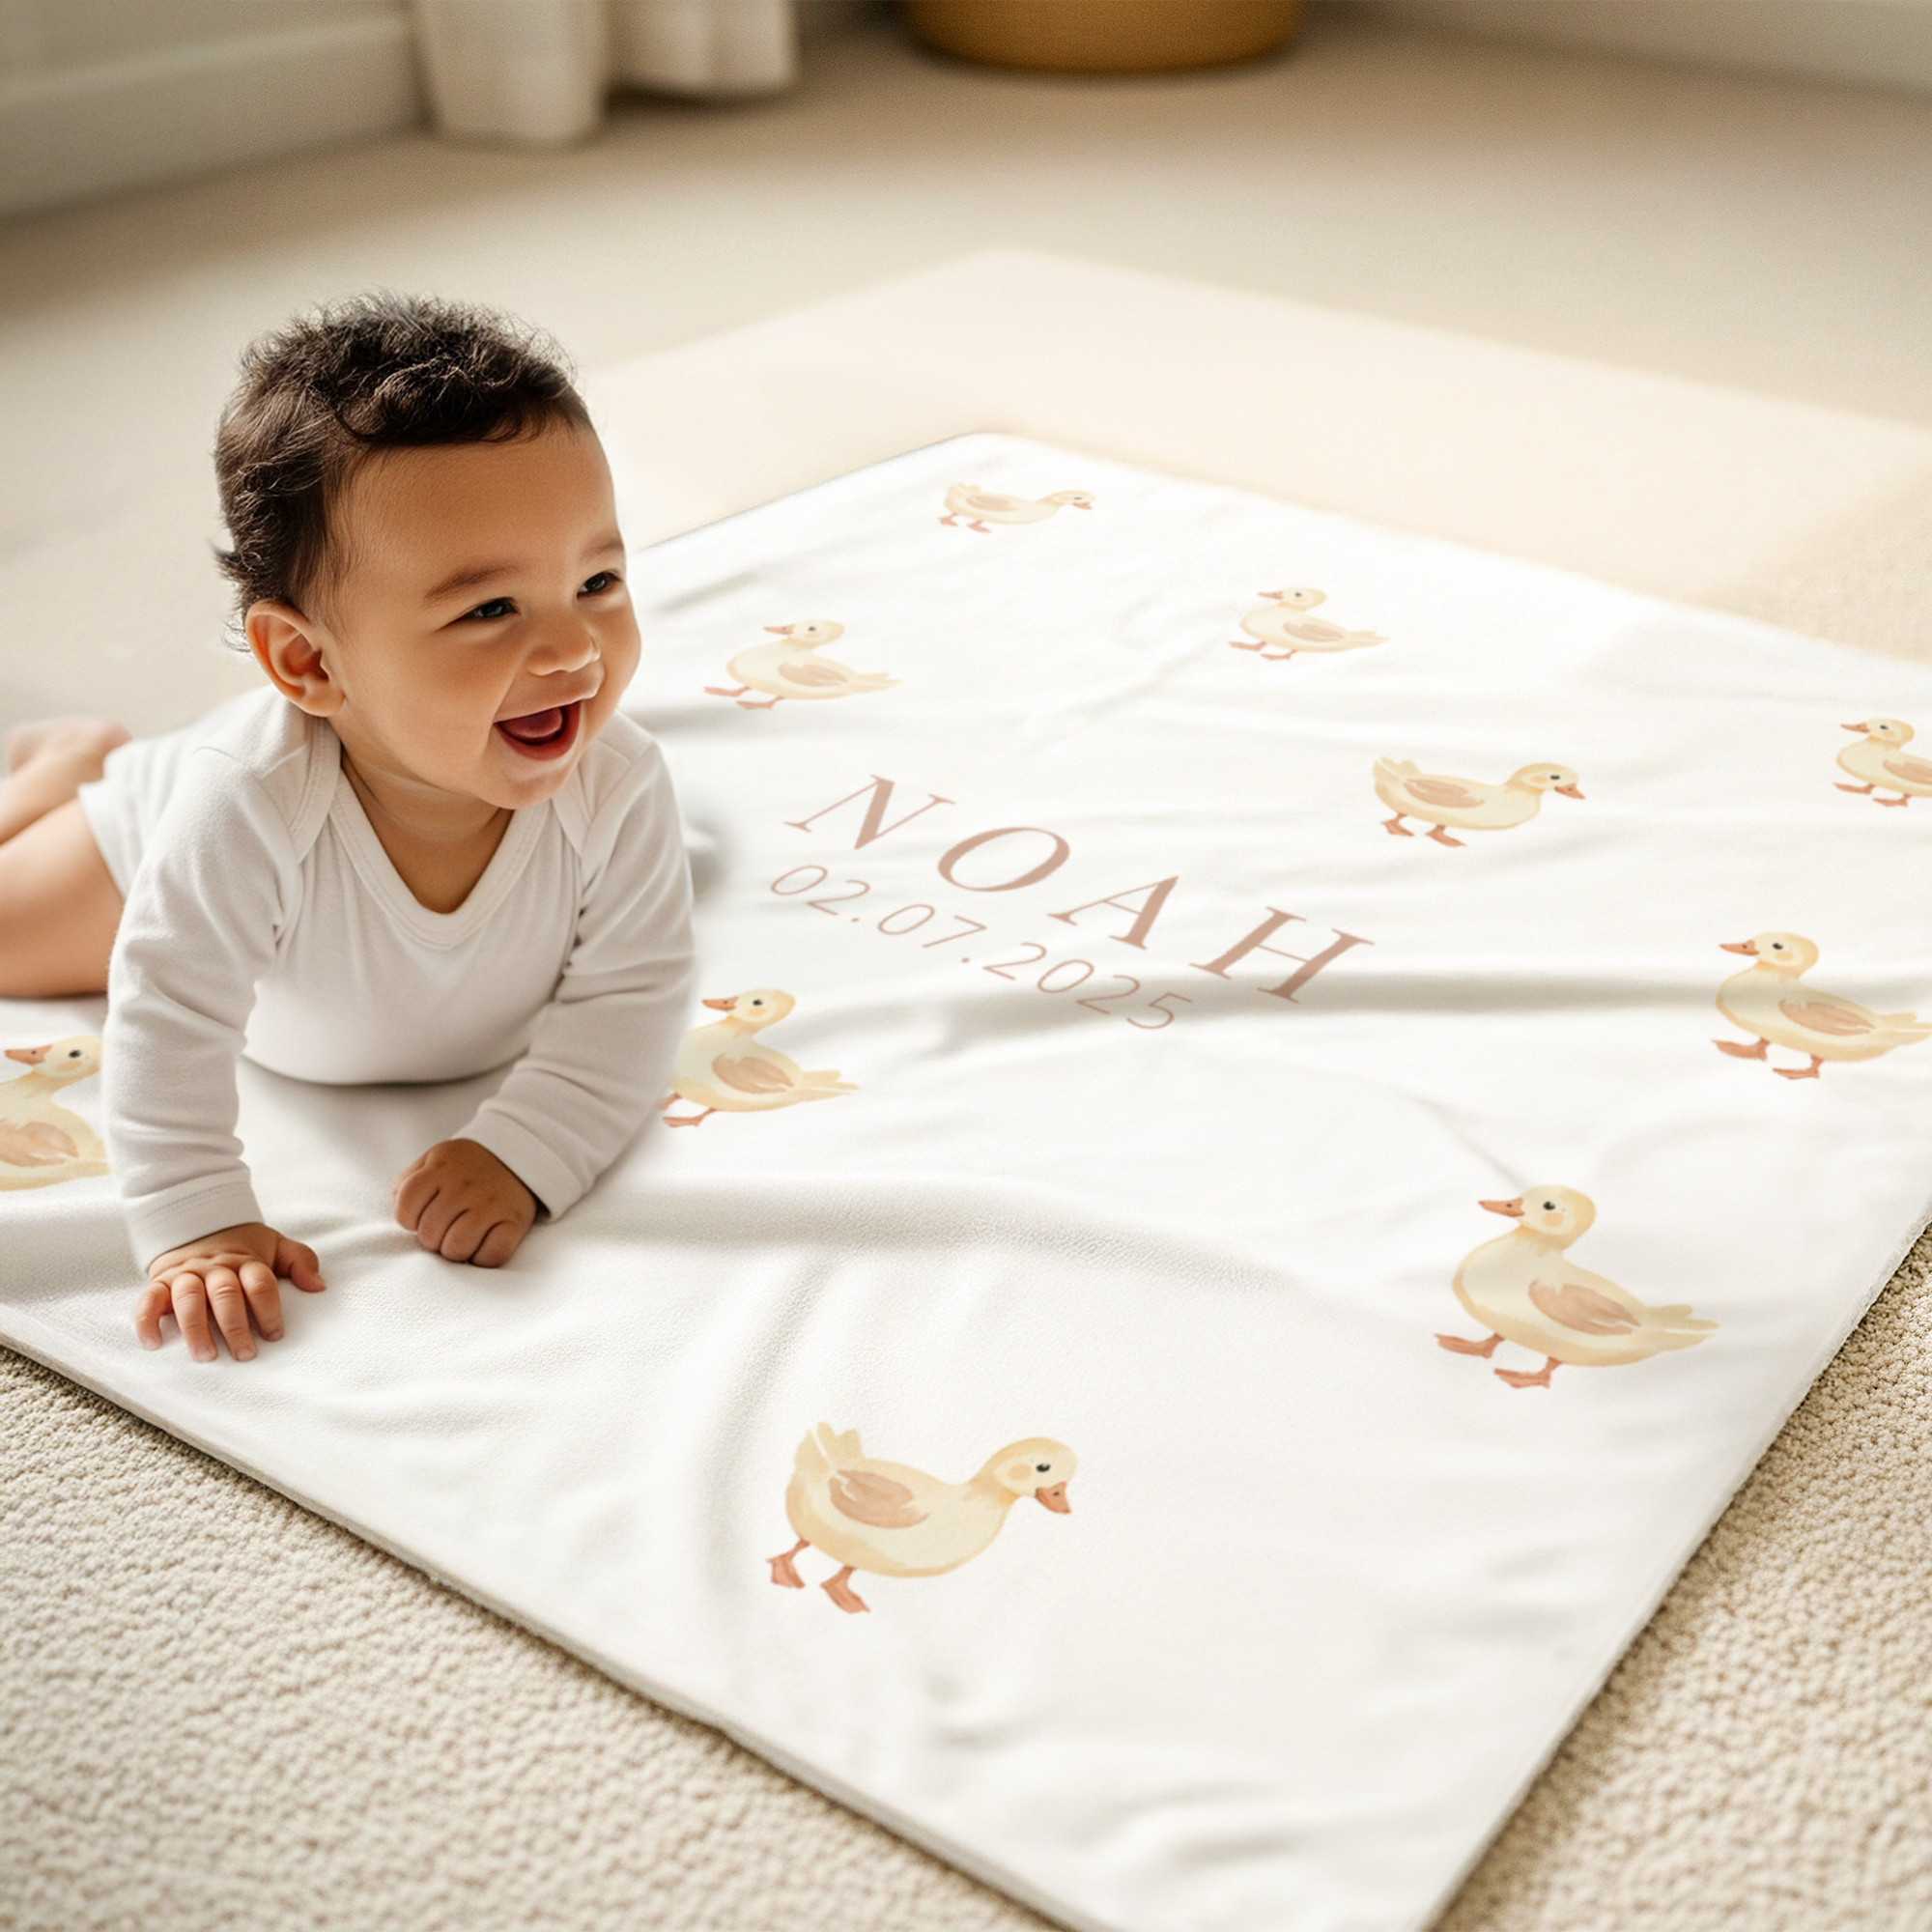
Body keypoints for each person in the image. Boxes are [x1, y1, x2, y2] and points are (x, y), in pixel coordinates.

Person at [0, 295, 694, 1363]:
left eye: (596, 580)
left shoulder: (619, 785)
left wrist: (525, 1148)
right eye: (488, 609)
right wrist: (193, 1215)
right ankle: (65, 766)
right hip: (139, 846)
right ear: (309, 665)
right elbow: (168, 1016)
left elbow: (632, 991)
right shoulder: (242, 805)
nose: (572, 647)